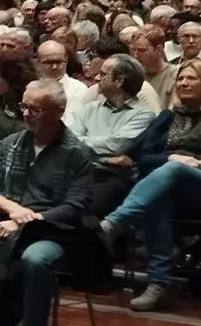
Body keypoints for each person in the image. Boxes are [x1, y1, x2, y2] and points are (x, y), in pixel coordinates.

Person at [98, 59, 201, 313]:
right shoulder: (166, 117)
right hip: (172, 189)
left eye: (191, 78)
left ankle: (114, 223)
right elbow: (145, 158)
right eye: (181, 79)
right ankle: (159, 284)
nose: (184, 83)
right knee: (160, 198)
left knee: (174, 171)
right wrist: (171, 158)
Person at [0, 79, 92, 326]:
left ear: (58, 111)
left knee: (35, 259)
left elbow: (75, 207)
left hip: (53, 231)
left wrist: (24, 218)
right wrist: (11, 209)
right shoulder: (10, 144)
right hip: (5, 221)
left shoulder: (76, 153)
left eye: (36, 109)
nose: (27, 114)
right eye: (24, 107)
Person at [66, 53, 154, 218]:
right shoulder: (89, 109)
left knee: (81, 211)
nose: (97, 78)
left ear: (119, 81)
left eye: (104, 74)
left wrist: (82, 144)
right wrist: (106, 159)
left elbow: (115, 146)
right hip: (77, 172)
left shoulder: (143, 115)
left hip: (112, 179)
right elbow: (67, 141)